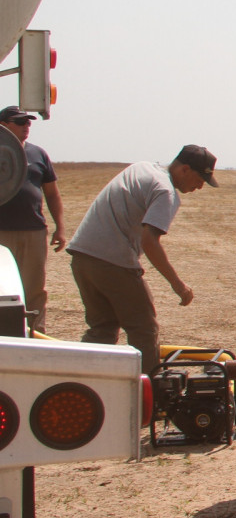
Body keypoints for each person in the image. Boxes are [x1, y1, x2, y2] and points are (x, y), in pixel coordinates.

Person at [66, 145, 216, 374]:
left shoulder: (143, 167)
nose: (200, 185)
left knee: (102, 328)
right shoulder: (166, 191)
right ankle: (147, 397)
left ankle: (81, 383)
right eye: (200, 178)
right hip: (113, 262)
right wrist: (179, 285)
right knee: (144, 331)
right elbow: (150, 242)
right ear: (185, 169)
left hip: (82, 255)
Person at [0, 106, 64, 332]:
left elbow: (52, 193)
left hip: (33, 230)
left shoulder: (38, 154)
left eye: (28, 122)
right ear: (4, 125)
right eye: (20, 122)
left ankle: (36, 333)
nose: (26, 126)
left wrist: (60, 227)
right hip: (2, 232)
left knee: (34, 287)